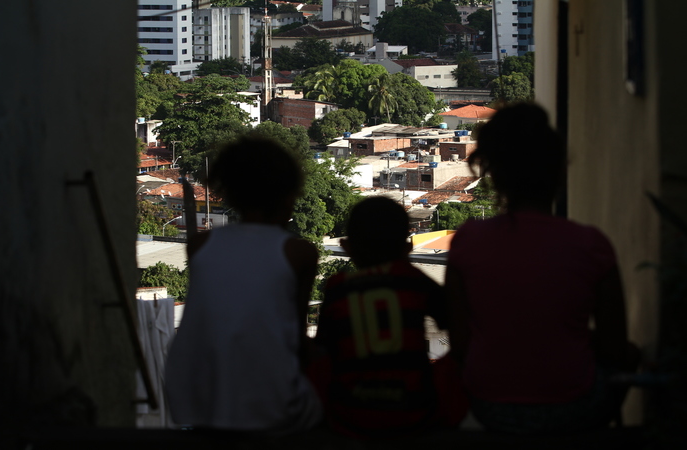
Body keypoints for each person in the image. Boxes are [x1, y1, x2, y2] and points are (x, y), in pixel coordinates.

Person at [445, 103, 638, 434]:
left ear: (493, 172)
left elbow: (460, 341)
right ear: (559, 170)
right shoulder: (591, 245)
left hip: (490, 406)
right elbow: (614, 348)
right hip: (575, 408)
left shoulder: (468, 241)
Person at [165, 136, 322, 435]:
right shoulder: (298, 253)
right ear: (287, 194)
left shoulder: (201, 245)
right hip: (267, 402)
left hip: (197, 397)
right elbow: (296, 339)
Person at [314, 197, 468, 439]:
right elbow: (460, 334)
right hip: (414, 414)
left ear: (346, 247)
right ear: (407, 249)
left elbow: (322, 354)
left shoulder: (338, 288)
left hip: (350, 417)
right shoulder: (414, 280)